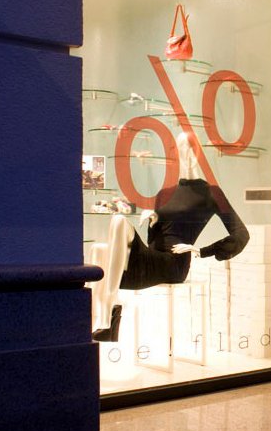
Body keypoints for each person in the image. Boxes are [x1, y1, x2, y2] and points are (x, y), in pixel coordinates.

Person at [88, 131, 249, 341]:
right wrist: (154, 221)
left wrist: (201, 251)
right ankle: (97, 319)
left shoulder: (210, 193)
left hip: (174, 263)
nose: (187, 154)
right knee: (97, 249)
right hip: (154, 259)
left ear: (198, 152)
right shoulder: (164, 194)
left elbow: (241, 233)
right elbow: (152, 243)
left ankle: (110, 310)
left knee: (119, 220)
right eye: (181, 149)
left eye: (191, 148)